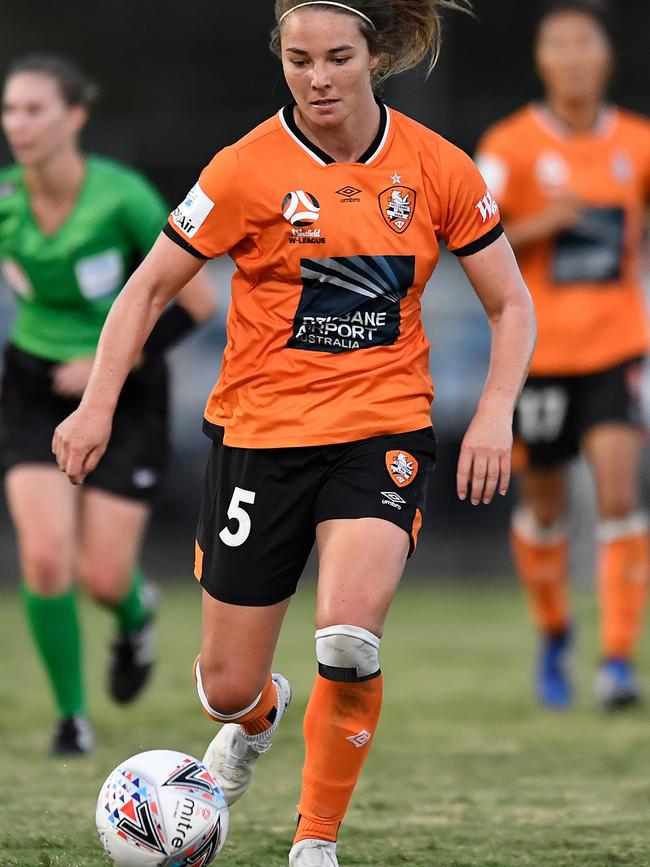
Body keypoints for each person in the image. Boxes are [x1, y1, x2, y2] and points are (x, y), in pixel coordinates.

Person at [53, 1, 535, 863]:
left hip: (381, 430)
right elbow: (149, 289)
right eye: (300, 59)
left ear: (375, 55)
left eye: (338, 58)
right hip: (258, 437)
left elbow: (509, 302)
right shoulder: (246, 168)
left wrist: (495, 407)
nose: (319, 78)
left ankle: (315, 841)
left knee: (348, 639)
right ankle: (258, 714)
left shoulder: (436, 166)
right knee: (223, 686)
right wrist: (97, 401)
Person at [0, 54, 216, 755]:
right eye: (10, 110)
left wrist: (105, 364)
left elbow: (198, 302)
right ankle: (72, 718)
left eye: (36, 109)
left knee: (100, 575)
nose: (19, 124)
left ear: (76, 117)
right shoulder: (5, 200)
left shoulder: (122, 197)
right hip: (33, 387)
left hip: (128, 387)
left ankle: (134, 610)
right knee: (45, 557)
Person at [476, 0, 650, 711]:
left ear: (605, 58)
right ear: (542, 60)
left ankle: (616, 657)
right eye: (559, 45)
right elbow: (471, 242)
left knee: (618, 494)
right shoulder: (509, 145)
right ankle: (554, 634)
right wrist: (537, 224)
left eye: (585, 44)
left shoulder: (637, 142)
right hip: (539, 359)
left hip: (615, 347)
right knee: (544, 510)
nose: (574, 57)